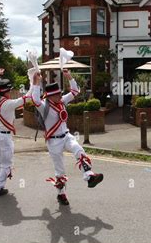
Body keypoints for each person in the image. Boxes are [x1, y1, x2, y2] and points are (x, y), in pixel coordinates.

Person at [31, 70, 103, 206]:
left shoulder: (62, 101)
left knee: (78, 149)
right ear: (50, 96)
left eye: (59, 93)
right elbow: (34, 100)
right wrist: (36, 82)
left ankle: (89, 177)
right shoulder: (44, 106)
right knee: (60, 170)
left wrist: (69, 77)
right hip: (53, 141)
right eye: (57, 94)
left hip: (66, 136)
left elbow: (75, 92)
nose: (60, 95)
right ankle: (61, 194)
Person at [0, 69, 30, 198]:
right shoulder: (7, 104)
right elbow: (26, 99)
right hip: (3, 136)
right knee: (6, 163)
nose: (10, 92)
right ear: (5, 91)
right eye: (9, 90)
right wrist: (34, 84)